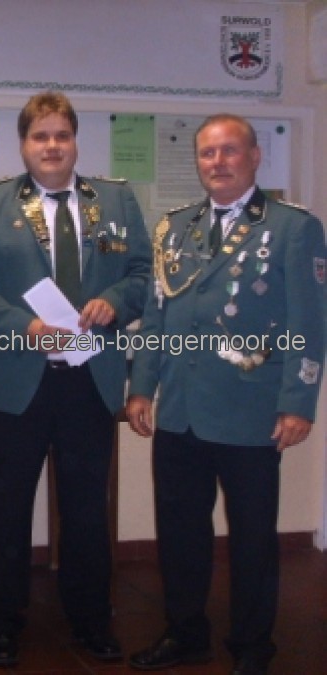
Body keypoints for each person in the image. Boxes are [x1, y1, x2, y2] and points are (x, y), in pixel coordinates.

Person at [0, 91, 151, 668]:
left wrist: (115, 301)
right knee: (6, 505)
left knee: (87, 508)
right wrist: (26, 326)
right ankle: (0, 620)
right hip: (19, 377)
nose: (52, 145)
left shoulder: (115, 199)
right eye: (41, 136)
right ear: (24, 144)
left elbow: (142, 274)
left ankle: (90, 619)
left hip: (90, 379)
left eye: (62, 134)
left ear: (75, 141)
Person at [125, 114, 325, 675]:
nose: (217, 162)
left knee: (252, 541)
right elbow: (157, 316)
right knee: (180, 535)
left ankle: (253, 647)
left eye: (229, 150)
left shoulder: (291, 228)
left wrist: (298, 402)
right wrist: (142, 387)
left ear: (255, 157)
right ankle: (185, 634)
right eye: (208, 153)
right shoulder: (175, 228)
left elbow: (309, 324)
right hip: (180, 411)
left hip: (250, 412)